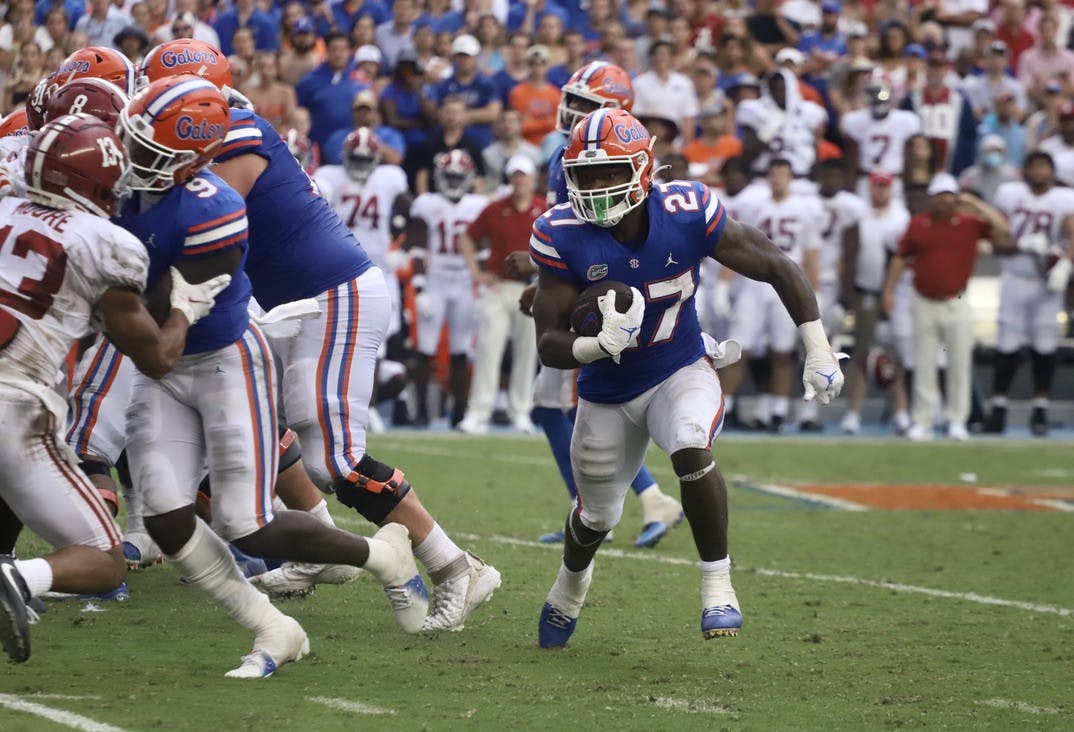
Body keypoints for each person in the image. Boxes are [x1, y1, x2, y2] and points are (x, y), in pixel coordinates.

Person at [141, 42, 499, 632]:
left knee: (337, 459)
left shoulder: (235, 136)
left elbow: (200, 229)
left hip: (333, 297)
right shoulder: (222, 131)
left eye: (163, 98)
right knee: (263, 422)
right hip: (298, 303)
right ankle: (318, 549)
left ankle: (456, 566)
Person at [531, 108, 846, 647]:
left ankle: (717, 584)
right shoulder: (561, 233)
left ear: (642, 169)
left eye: (609, 172)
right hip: (605, 393)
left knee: (689, 446)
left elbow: (774, 262)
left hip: (679, 367)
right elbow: (548, 344)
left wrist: (818, 346)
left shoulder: (687, 210)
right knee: (596, 518)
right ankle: (570, 586)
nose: (596, 187)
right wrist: (595, 345)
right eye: (586, 175)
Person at [0, 114, 229, 663]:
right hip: (14, 405)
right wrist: (184, 309)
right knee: (104, 559)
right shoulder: (104, 242)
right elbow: (156, 358)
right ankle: (17, 576)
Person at [536, 60, 682, 548]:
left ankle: (605, 508)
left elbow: (588, 236)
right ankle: (616, 505)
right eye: (572, 102)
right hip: (594, 286)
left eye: (586, 106)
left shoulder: (589, 161)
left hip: (604, 292)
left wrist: (553, 288)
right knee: (558, 405)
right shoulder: (568, 156)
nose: (573, 113)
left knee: (568, 404)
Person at [881, 173, 1009, 441]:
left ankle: (956, 420)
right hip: (925, 300)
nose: (945, 200)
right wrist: (890, 291)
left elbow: (1002, 228)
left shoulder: (969, 223)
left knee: (959, 364)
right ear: (932, 198)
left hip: (957, 301)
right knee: (923, 364)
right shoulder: (918, 225)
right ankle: (923, 421)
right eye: (940, 195)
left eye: (950, 194)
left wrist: (975, 202)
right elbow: (901, 259)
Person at [723, 158, 824, 434]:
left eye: (783, 174)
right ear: (767, 177)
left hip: (788, 280)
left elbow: (811, 253)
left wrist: (815, 290)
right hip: (754, 282)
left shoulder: (805, 209)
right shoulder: (753, 205)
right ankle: (726, 408)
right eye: (774, 174)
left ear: (791, 178)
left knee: (783, 350)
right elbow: (734, 246)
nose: (778, 179)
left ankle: (778, 411)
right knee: (739, 346)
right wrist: (725, 283)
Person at [984, 152, 1074, 436]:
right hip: (1015, 276)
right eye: (1034, 166)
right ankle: (998, 406)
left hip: (1047, 283)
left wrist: (1066, 264)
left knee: (1045, 347)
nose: (1039, 171)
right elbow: (996, 239)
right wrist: (1022, 244)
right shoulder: (1010, 194)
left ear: (1052, 171)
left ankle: (1041, 408)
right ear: (1025, 170)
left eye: (1044, 166)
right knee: (1007, 345)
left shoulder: (1063, 198)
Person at [456, 155, 544, 435]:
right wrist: (476, 272)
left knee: (528, 352)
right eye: (515, 175)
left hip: (531, 289)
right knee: (488, 349)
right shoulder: (495, 209)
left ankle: (521, 411)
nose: (519, 180)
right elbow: (467, 237)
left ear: (532, 179)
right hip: (498, 288)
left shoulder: (543, 210)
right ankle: (478, 411)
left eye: (524, 175)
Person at [405, 149, 487, 428]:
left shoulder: (477, 205)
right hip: (436, 280)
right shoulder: (427, 203)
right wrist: (418, 287)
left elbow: (484, 250)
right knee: (425, 347)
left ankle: (460, 412)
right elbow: (417, 246)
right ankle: (421, 412)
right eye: (449, 176)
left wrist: (483, 287)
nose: (453, 181)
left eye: (458, 176)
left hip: (464, 282)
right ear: (439, 177)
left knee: (460, 349)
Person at [840, 171, 911, 435]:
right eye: (876, 186)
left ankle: (901, 411)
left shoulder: (901, 217)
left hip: (894, 294)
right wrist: (846, 293)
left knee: (894, 355)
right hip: (865, 292)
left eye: (884, 186)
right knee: (861, 353)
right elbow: (850, 254)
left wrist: (889, 292)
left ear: (891, 189)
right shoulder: (860, 216)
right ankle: (853, 412)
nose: (880, 191)